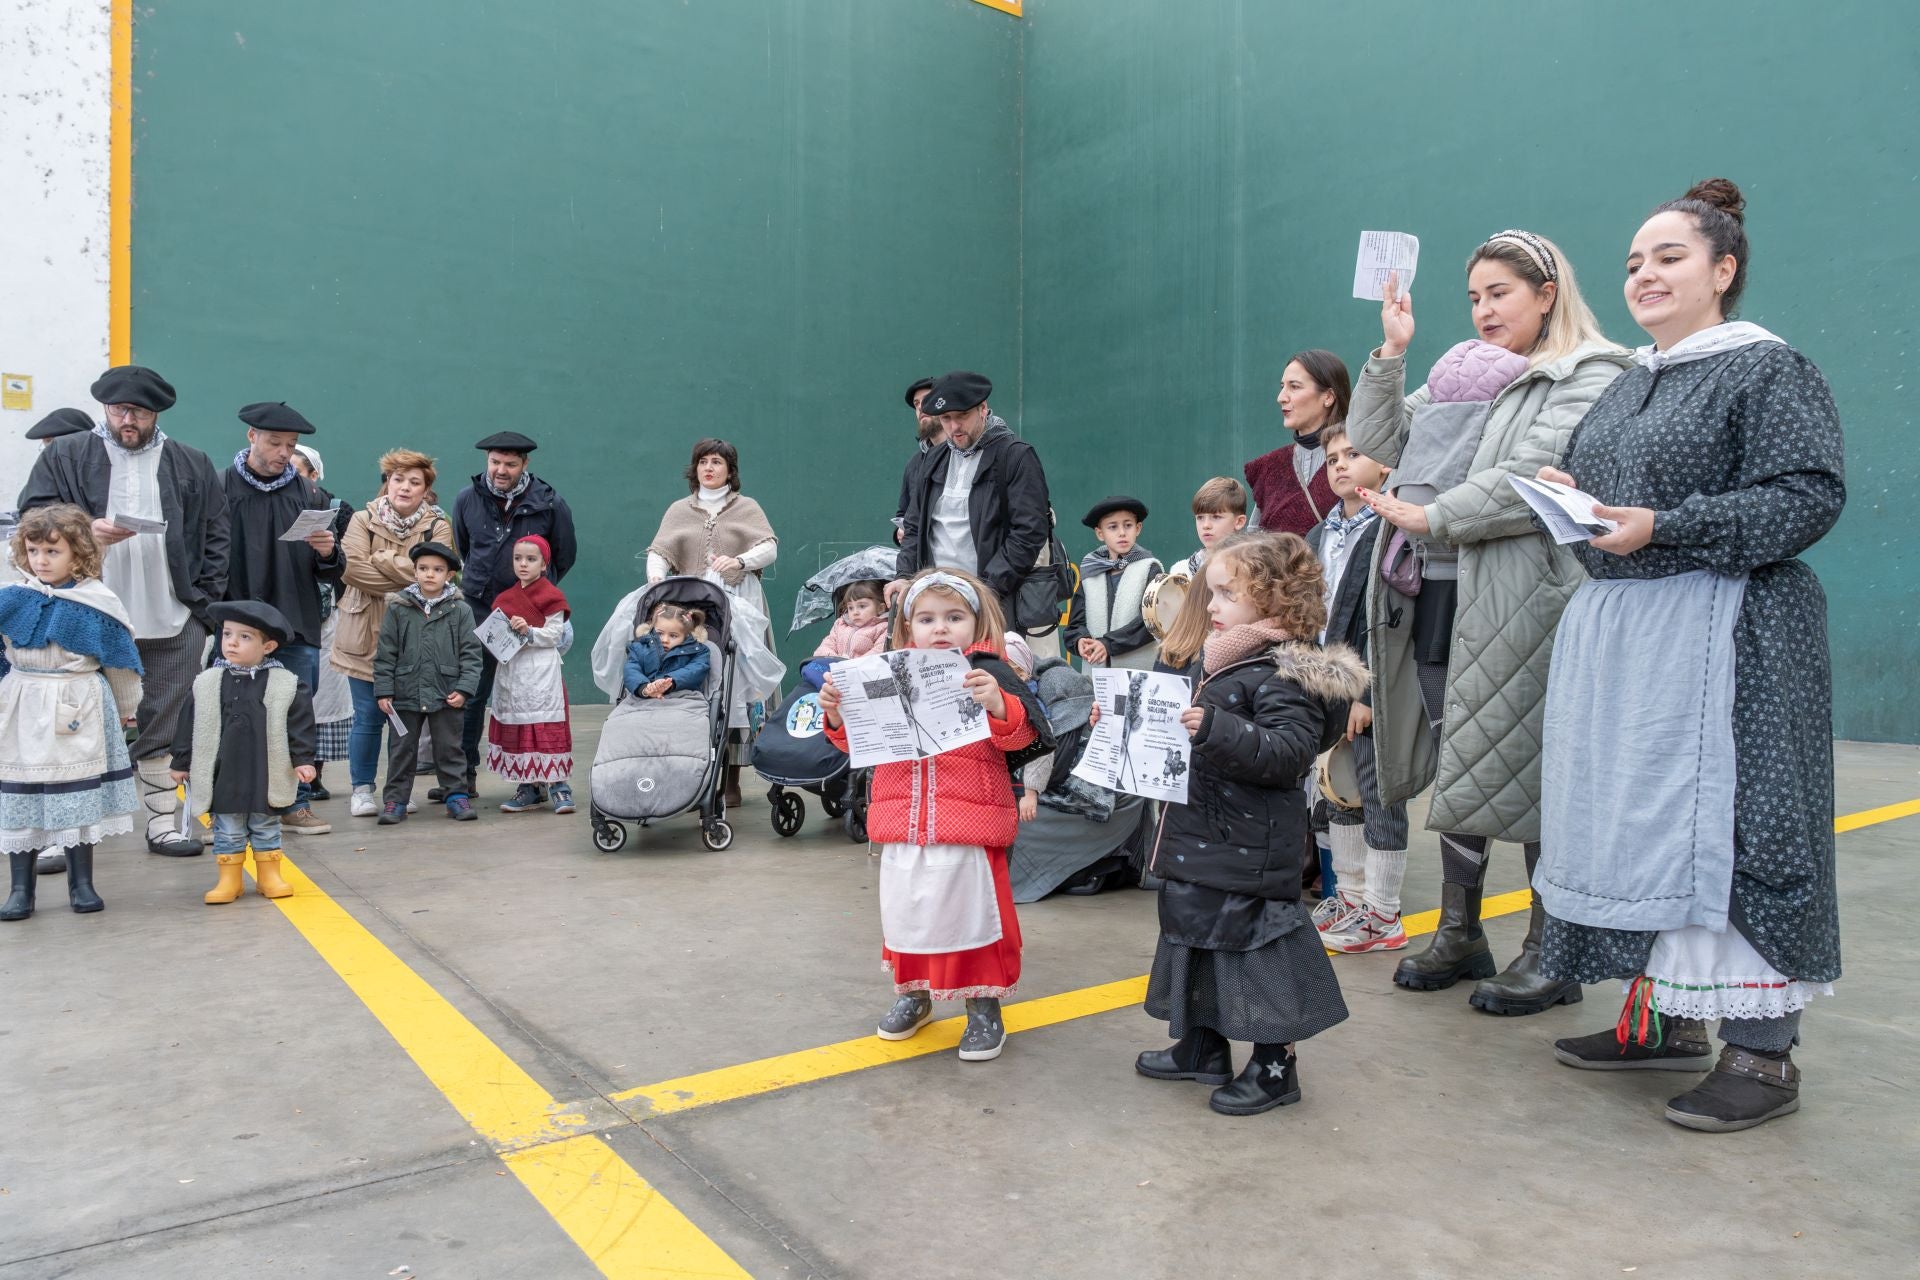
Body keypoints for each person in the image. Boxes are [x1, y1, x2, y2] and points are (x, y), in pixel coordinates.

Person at [1532, 179, 1846, 1132]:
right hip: (1629, 635)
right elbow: (1610, 520)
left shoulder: (1765, 369)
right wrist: (1570, 499)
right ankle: (1663, 1017)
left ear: (1724, 269)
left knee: (1735, 827)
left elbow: (1808, 493)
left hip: (1730, 630)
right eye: (1633, 262)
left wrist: (1666, 524)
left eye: (1669, 256)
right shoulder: (1631, 382)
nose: (1645, 274)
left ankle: (1764, 1053)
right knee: (1636, 824)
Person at [1351, 229, 1631, 1015]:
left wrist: (1433, 514)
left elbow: (1523, 480)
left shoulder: (1591, 374)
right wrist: (1391, 352)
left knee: (1540, 769)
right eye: (1473, 296)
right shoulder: (1462, 372)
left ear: (1547, 294)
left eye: (1498, 293)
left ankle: (1552, 948)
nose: (1482, 310)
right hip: (1441, 595)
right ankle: (1460, 930)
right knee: (1462, 757)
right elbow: (1375, 446)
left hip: (1530, 601)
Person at [1136, 532, 1359, 1115]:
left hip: (1250, 847)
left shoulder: (1286, 672)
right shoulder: (1225, 659)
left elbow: (1287, 754)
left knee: (1257, 953)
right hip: (1203, 837)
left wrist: (1210, 727)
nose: (1210, 607)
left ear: (1275, 598)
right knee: (1194, 936)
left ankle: (1274, 1066)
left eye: (1225, 594)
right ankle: (1202, 1045)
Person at [818, 568, 1043, 1062]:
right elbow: (856, 742)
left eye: (954, 616)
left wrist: (999, 705)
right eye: (927, 618)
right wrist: (835, 715)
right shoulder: (881, 673)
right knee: (909, 912)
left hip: (970, 824)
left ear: (978, 621)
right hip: (904, 819)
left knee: (976, 918)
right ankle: (914, 994)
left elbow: (1025, 737)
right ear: (907, 628)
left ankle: (984, 1007)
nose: (940, 628)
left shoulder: (990, 671)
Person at [18, 365, 229, 858]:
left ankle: (161, 824)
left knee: (165, 718)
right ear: (105, 410)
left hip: (173, 613)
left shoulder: (190, 462)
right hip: (88, 612)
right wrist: (84, 528)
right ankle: (59, 835)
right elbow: (33, 514)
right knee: (72, 720)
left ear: (156, 413)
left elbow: (218, 535)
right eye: (118, 410)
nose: (127, 420)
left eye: (137, 411)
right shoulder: (69, 453)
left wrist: (204, 604)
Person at [0, 506, 143, 921]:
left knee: (76, 796)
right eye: (33, 550)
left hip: (77, 701)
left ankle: (81, 884)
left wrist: (124, 711)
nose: (40, 560)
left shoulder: (97, 603)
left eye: (52, 551)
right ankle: (20, 890)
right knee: (21, 796)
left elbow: (120, 664)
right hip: (22, 704)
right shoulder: (11, 599)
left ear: (79, 554)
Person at [1304, 426, 1411, 953]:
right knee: (1337, 789)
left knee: (1378, 791)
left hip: (1368, 684)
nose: (1340, 466)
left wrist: (1367, 694)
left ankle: (1385, 913)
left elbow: (1386, 620)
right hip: (1324, 683)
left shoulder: (1391, 529)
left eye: (1353, 455)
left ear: (1386, 465)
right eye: (1331, 460)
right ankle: (1350, 897)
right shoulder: (1320, 534)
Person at [218, 401, 344, 836]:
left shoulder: (310, 495)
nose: (282, 453)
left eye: (290, 446)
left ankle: (296, 803)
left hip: (296, 620)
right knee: (235, 713)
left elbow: (330, 570)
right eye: (274, 443)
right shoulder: (220, 488)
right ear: (251, 436)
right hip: (239, 623)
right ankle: (230, 804)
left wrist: (329, 551)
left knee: (296, 711)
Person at [645, 438, 778, 807]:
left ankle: (731, 779)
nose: (709, 468)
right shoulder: (679, 510)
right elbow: (660, 550)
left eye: (717, 462)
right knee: (696, 680)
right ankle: (693, 772)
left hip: (739, 602)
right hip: (690, 606)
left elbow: (769, 546)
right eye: (703, 461)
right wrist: (656, 579)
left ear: (730, 471)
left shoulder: (747, 507)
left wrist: (740, 561)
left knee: (737, 683)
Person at [451, 431, 577, 801]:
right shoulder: (466, 499)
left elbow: (563, 555)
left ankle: (544, 777)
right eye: (495, 462)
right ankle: (464, 774)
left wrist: (532, 599)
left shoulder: (550, 503)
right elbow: (464, 547)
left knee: (534, 695)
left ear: (525, 464)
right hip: (480, 610)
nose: (500, 470)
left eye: (509, 463)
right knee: (473, 692)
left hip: (533, 615)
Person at [332, 449, 455, 817]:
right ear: (387, 482)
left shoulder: (438, 526)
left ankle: (395, 791)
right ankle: (362, 790)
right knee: (368, 717)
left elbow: (438, 573)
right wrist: (407, 579)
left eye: (414, 481)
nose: (404, 487)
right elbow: (351, 569)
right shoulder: (361, 519)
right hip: (363, 635)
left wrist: (382, 559)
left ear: (426, 490)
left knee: (403, 719)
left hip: (415, 641)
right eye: (398, 479)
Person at [169, 601, 316, 905]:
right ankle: (229, 880)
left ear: (269, 645)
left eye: (245, 637)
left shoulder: (285, 684)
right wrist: (181, 761)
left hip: (265, 771)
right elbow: (189, 723)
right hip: (224, 774)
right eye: (227, 634)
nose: (232, 642)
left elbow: (299, 726)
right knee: (228, 828)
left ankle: (269, 876)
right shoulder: (208, 682)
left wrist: (303, 760)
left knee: (265, 824)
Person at [892, 371, 1055, 622]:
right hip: (935, 604)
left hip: (992, 605)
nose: (954, 427)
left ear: (983, 408)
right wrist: (903, 576)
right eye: (946, 418)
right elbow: (914, 527)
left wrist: (985, 590)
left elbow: (1029, 532)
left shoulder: (1016, 457)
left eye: (962, 416)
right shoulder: (933, 460)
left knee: (986, 663)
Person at [373, 543, 483, 824]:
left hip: (447, 692)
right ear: (415, 571)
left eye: (437, 569)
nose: (429, 574)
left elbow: (472, 654)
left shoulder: (460, 609)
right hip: (405, 693)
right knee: (402, 749)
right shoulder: (399, 607)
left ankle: (456, 796)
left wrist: (464, 689)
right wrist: (384, 690)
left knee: (449, 748)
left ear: (449, 575)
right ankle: (395, 800)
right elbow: (386, 653)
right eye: (423, 568)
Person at [486, 536, 576, 815]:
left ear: (544, 565)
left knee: (545, 725)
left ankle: (559, 785)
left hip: (541, 670)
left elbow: (555, 634)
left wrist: (529, 631)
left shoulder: (552, 597)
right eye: (518, 558)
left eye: (531, 559)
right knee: (519, 726)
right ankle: (528, 787)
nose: (523, 564)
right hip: (513, 671)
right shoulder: (504, 598)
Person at [289, 445, 355, 802]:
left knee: (325, 694)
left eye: (298, 470)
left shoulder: (338, 510)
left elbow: (348, 559)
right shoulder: (275, 507)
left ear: (314, 476)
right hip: (289, 612)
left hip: (327, 615)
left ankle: (314, 775)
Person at [1242, 351, 1347, 537]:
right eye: (1282, 386)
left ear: (1328, 397)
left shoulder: (1358, 458)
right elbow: (1255, 543)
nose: (1281, 397)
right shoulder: (1269, 467)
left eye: (1294, 387)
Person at [1062, 496, 1162, 672]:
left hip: (1138, 677)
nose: (1122, 532)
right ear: (1100, 533)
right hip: (1097, 680)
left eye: (1128, 525)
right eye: (1113, 527)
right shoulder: (1091, 570)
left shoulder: (1149, 568)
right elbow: (1075, 625)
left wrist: (1107, 644)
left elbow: (1150, 623)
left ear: (1138, 528)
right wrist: (1080, 640)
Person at [802, 581, 887, 688]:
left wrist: (850, 665)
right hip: (835, 668)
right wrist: (837, 661)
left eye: (862, 606)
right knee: (809, 667)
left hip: (862, 673)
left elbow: (878, 652)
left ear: (880, 608)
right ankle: (831, 686)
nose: (855, 612)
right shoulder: (840, 624)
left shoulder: (883, 628)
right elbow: (825, 646)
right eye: (851, 608)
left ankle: (833, 687)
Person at [624, 603, 712, 698]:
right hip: (644, 698)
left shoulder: (698, 652)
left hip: (683, 697)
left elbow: (694, 671)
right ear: (653, 629)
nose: (665, 640)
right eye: (660, 633)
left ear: (686, 636)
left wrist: (668, 682)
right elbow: (631, 670)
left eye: (673, 635)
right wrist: (645, 688)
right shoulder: (639, 648)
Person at [892, 376, 940, 545]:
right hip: (922, 565)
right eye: (917, 403)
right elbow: (903, 514)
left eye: (927, 400)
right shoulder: (914, 463)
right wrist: (900, 531)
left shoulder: (963, 455)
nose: (921, 407)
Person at [1180, 477, 1250, 577]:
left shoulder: (1253, 570)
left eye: (1216, 517)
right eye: (1200, 517)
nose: (1206, 525)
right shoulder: (1182, 572)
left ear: (1239, 522)